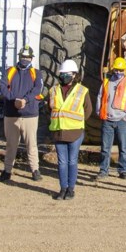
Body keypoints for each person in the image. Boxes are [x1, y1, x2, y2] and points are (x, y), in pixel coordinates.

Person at [0, 46, 45, 182]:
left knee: (32, 144)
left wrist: (25, 100)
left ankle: (35, 170)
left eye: (27, 57)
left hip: (30, 115)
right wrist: (14, 100)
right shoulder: (10, 71)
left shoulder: (36, 73)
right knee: (11, 144)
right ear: (19, 57)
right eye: (23, 57)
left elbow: (37, 89)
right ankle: (7, 170)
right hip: (11, 114)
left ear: (31, 58)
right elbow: (2, 86)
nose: (25, 60)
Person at [47, 59, 93, 200]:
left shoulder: (82, 91)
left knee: (72, 161)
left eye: (67, 73)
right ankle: (63, 189)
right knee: (62, 162)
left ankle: (71, 189)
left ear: (74, 75)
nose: (64, 76)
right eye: (62, 73)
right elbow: (50, 108)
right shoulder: (53, 90)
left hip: (75, 132)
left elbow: (88, 110)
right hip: (59, 131)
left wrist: (77, 122)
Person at [96, 57, 126, 180]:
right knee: (105, 148)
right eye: (116, 70)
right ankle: (103, 170)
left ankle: (123, 170)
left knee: (123, 148)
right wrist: (99, 112)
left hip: (122, 121)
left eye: (120, 70)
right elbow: (99, 97)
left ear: (124, 70)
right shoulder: (106, 82)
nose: (118, 72)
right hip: (107, 120)